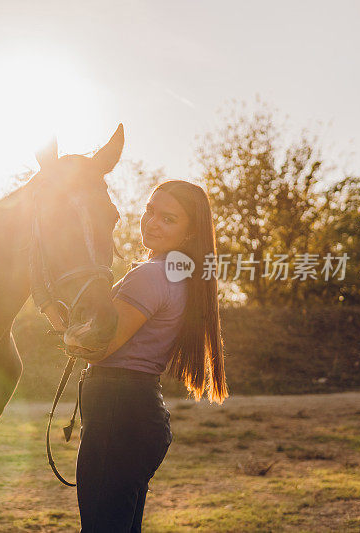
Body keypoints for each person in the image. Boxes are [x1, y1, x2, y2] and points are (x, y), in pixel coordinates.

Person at [76, 179, 228, 532]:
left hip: (119, 409)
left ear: (189, 234)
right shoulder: (179, 275)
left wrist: (56, 318)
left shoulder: (150, 275)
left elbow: (97, 347)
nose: (152, 222)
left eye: (168, 219)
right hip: (137, 410)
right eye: (150, 211)